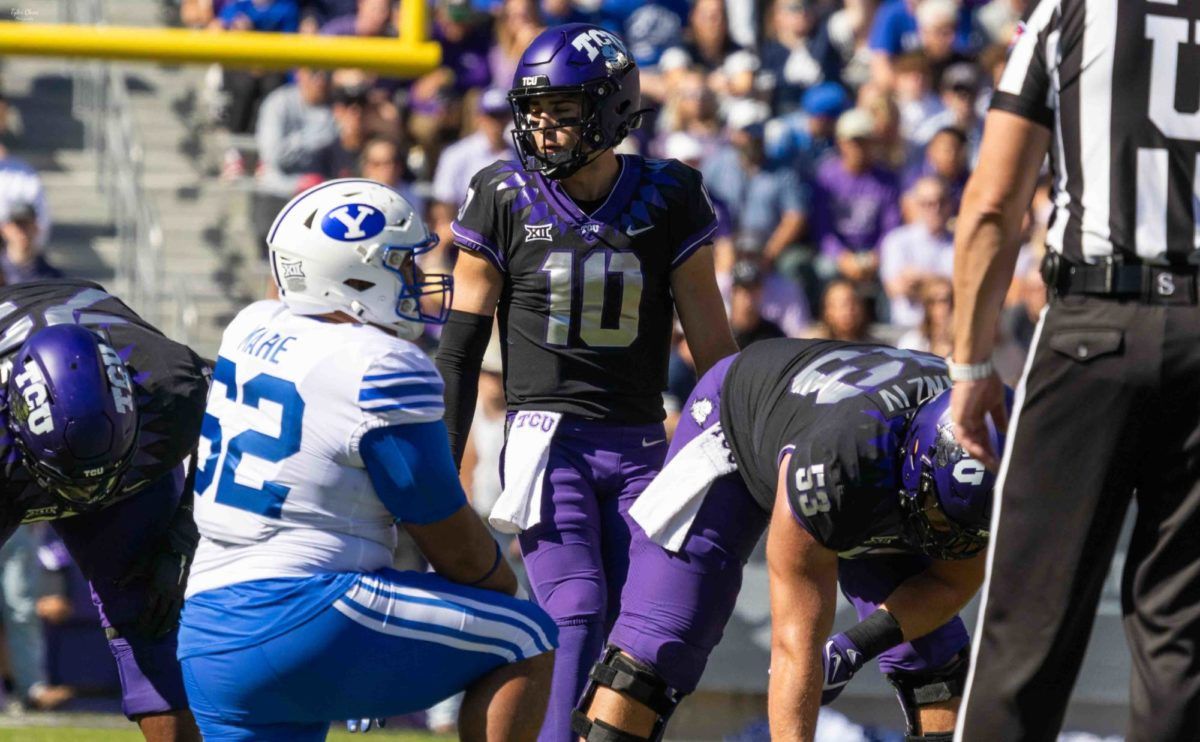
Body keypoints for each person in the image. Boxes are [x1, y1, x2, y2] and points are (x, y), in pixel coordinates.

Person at [436, 24, 738, 742]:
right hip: (546, 439)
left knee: (641, 627)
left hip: (642, 444)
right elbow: (457, 350)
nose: (543, 129)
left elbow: (715, 352)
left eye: (563, 111)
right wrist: (443, 475)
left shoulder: (669, 195)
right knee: (575, 607)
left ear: (611, 110)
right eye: (534, 111)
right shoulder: (501, 194)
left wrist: (730, 455)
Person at [178, 179, 556, 742]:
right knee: (527, 636)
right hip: (305, 615)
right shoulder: (381, 363)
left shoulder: (249, 326)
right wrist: (501, 587)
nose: (414, 277)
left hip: (207, 633)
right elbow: (444, 531)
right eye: (400, 262)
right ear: (353, 275)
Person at [949, 1, 1200, 740]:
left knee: (1027, 624)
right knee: (1181, 641)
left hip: (1095, 320)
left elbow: (993, 203)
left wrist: (970, 363)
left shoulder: (1071, 9)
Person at [572, 338, 1006, 741]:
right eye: (936, 515)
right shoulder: (838, 467)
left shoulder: (1007, 445)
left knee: (935, 659)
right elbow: (795, 647)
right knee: (653, 648)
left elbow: (952, 581)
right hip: (739, 421)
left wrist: (853, 648)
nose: (943, 538)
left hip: (870, 450)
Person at [0, 280, 211, 741]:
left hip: (116, 448)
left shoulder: (172, 386)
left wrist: (184, 534)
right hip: (18, 472)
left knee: (151, 618)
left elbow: (237, 433)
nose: (87, 497)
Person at [1, 201, 62, 284]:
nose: (22, 232)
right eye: (17, 225)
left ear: (37, 228)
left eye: (27, 225)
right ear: (4, 230)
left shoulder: (52, 278)